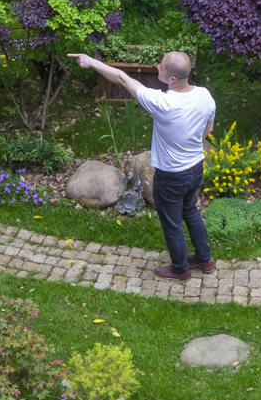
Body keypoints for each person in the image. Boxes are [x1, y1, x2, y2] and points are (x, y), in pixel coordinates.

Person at [67, 49, 217, 282]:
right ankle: (204, 258)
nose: (157, 67)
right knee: (190, 211)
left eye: (161, 66)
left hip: (171, 176)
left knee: (172, 224)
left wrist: (92, 62)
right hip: (195, 169)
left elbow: (122, 78)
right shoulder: (205, 95)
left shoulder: (162, 103)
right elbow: (208, 129)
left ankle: (180, 269)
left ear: (172, 78)